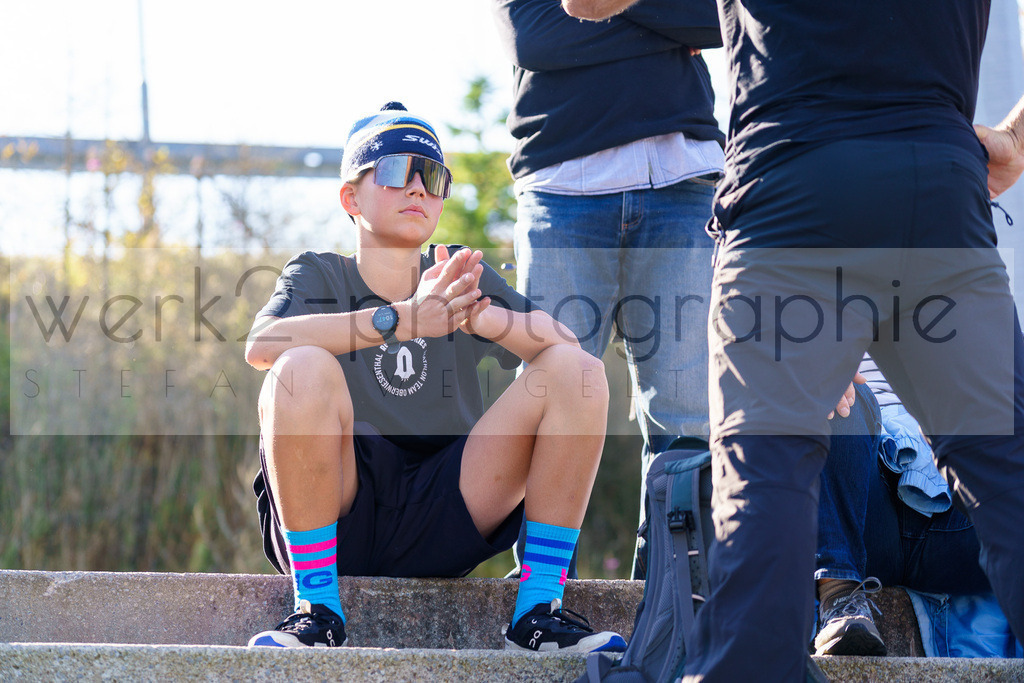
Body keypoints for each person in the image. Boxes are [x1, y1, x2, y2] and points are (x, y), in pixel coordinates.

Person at [562, 1, 1024, 680]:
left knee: (769, 471)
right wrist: (1013, 136)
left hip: (793, 182)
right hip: (934, 176)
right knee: (1007, 467)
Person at [243, 102, 625, 654]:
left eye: (433, 177)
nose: (418, 189)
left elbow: (568, 353)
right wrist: (398, 319)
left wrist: (485, 317)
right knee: (298, 367)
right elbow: (261, 345)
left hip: (445, 509)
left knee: (579, 373)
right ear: (351, 197)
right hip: (342, 509)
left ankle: (538, 610)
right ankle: (317, 610)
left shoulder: (459, 273)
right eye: (397, 172)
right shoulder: (319, 272)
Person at [489, 0, 724, 578]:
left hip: (683, 184)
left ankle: (676, 595)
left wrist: (602, 14)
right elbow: (537, 39)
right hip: (562, 192)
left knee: (688, 411)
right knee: (551, 395)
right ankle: (541, 596)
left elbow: (718, 20)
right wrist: (664, 28)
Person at [815, 360, 992, 657]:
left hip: (962, 507)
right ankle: (840, 597)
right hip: (861, 504)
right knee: (828, 387)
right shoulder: (804, 319)